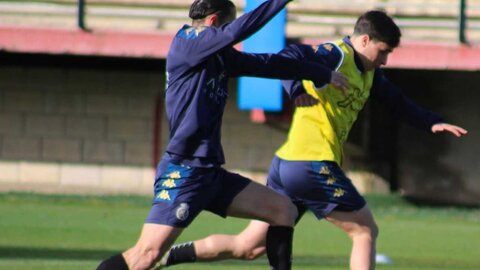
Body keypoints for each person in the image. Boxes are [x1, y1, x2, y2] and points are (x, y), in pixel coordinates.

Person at [158, 10, 468, 270]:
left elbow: (397, 102)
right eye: (383, 51)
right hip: (309, 162)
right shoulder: (335, 55)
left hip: (289, 165)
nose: (385, 59)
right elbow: (289, 56)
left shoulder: (371, 74)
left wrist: (432, 122)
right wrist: (297, 91)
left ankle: (164, 255)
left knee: (249, 247)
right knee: (364, 230)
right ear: (364, 40)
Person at [96, 0, 352, 269]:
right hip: (184, 172)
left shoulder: (218, 56)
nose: (228, 37)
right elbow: (235, 33)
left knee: (282, 210)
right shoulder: (188, 42)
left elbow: (267, 64)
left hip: (210, 174)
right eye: (226, 26)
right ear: (214, 22)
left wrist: (321, 73)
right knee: (146, 255)